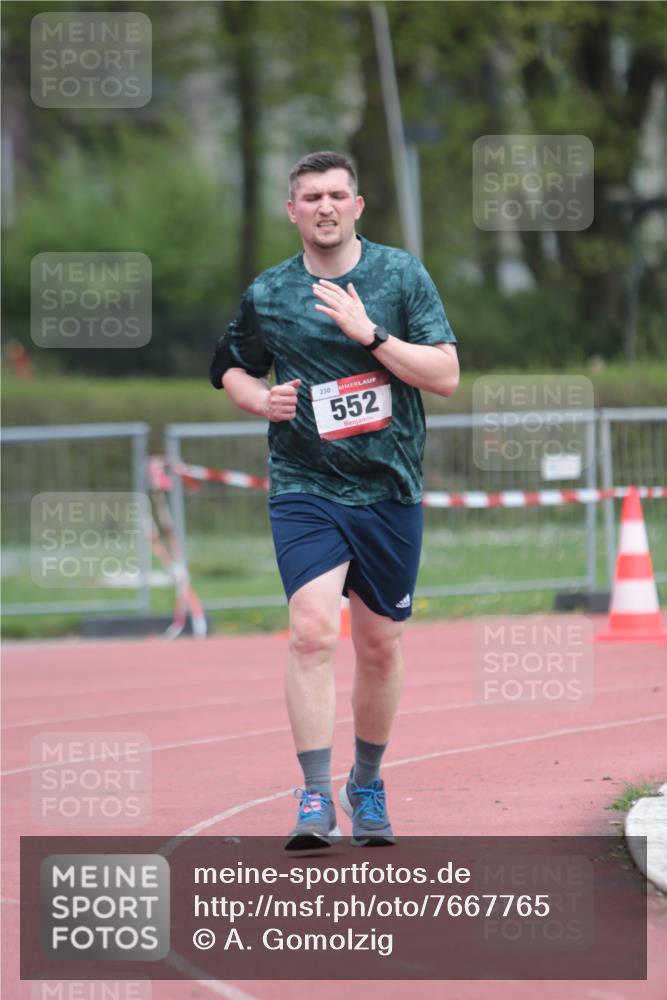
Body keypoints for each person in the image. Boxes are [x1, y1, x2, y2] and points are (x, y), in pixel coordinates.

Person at [210, 150, 459, 851]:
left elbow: (444, 376)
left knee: (379, 647)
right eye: (311, 196)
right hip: (304, 485)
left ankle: (367, 783)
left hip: (388, 488)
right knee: (312, 630)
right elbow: (226, 366)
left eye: (337, 194)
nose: (324, 206)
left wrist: (370, 336)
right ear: (291, 210)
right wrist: (260, 397)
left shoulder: (399, 275)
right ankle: (314, 794)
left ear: (357, 205)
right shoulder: (270, 293)